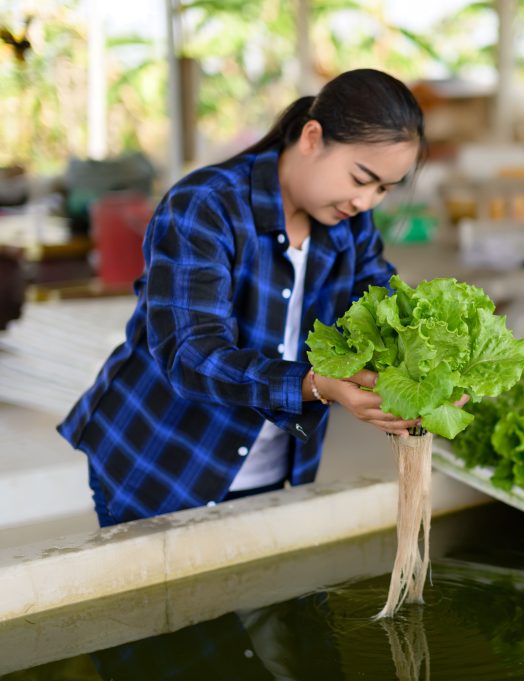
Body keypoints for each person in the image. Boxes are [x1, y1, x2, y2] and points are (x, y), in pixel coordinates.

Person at [58, 69, 425, 527]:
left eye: (383, 190)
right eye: (361, 178)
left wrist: (430, 373)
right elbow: (191, 354)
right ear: (312, 137)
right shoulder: (204, 206)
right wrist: (314, 385)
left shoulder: (349, 224)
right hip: (161, 462)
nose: (366, 202)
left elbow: (382, 309)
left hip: (271, 467)